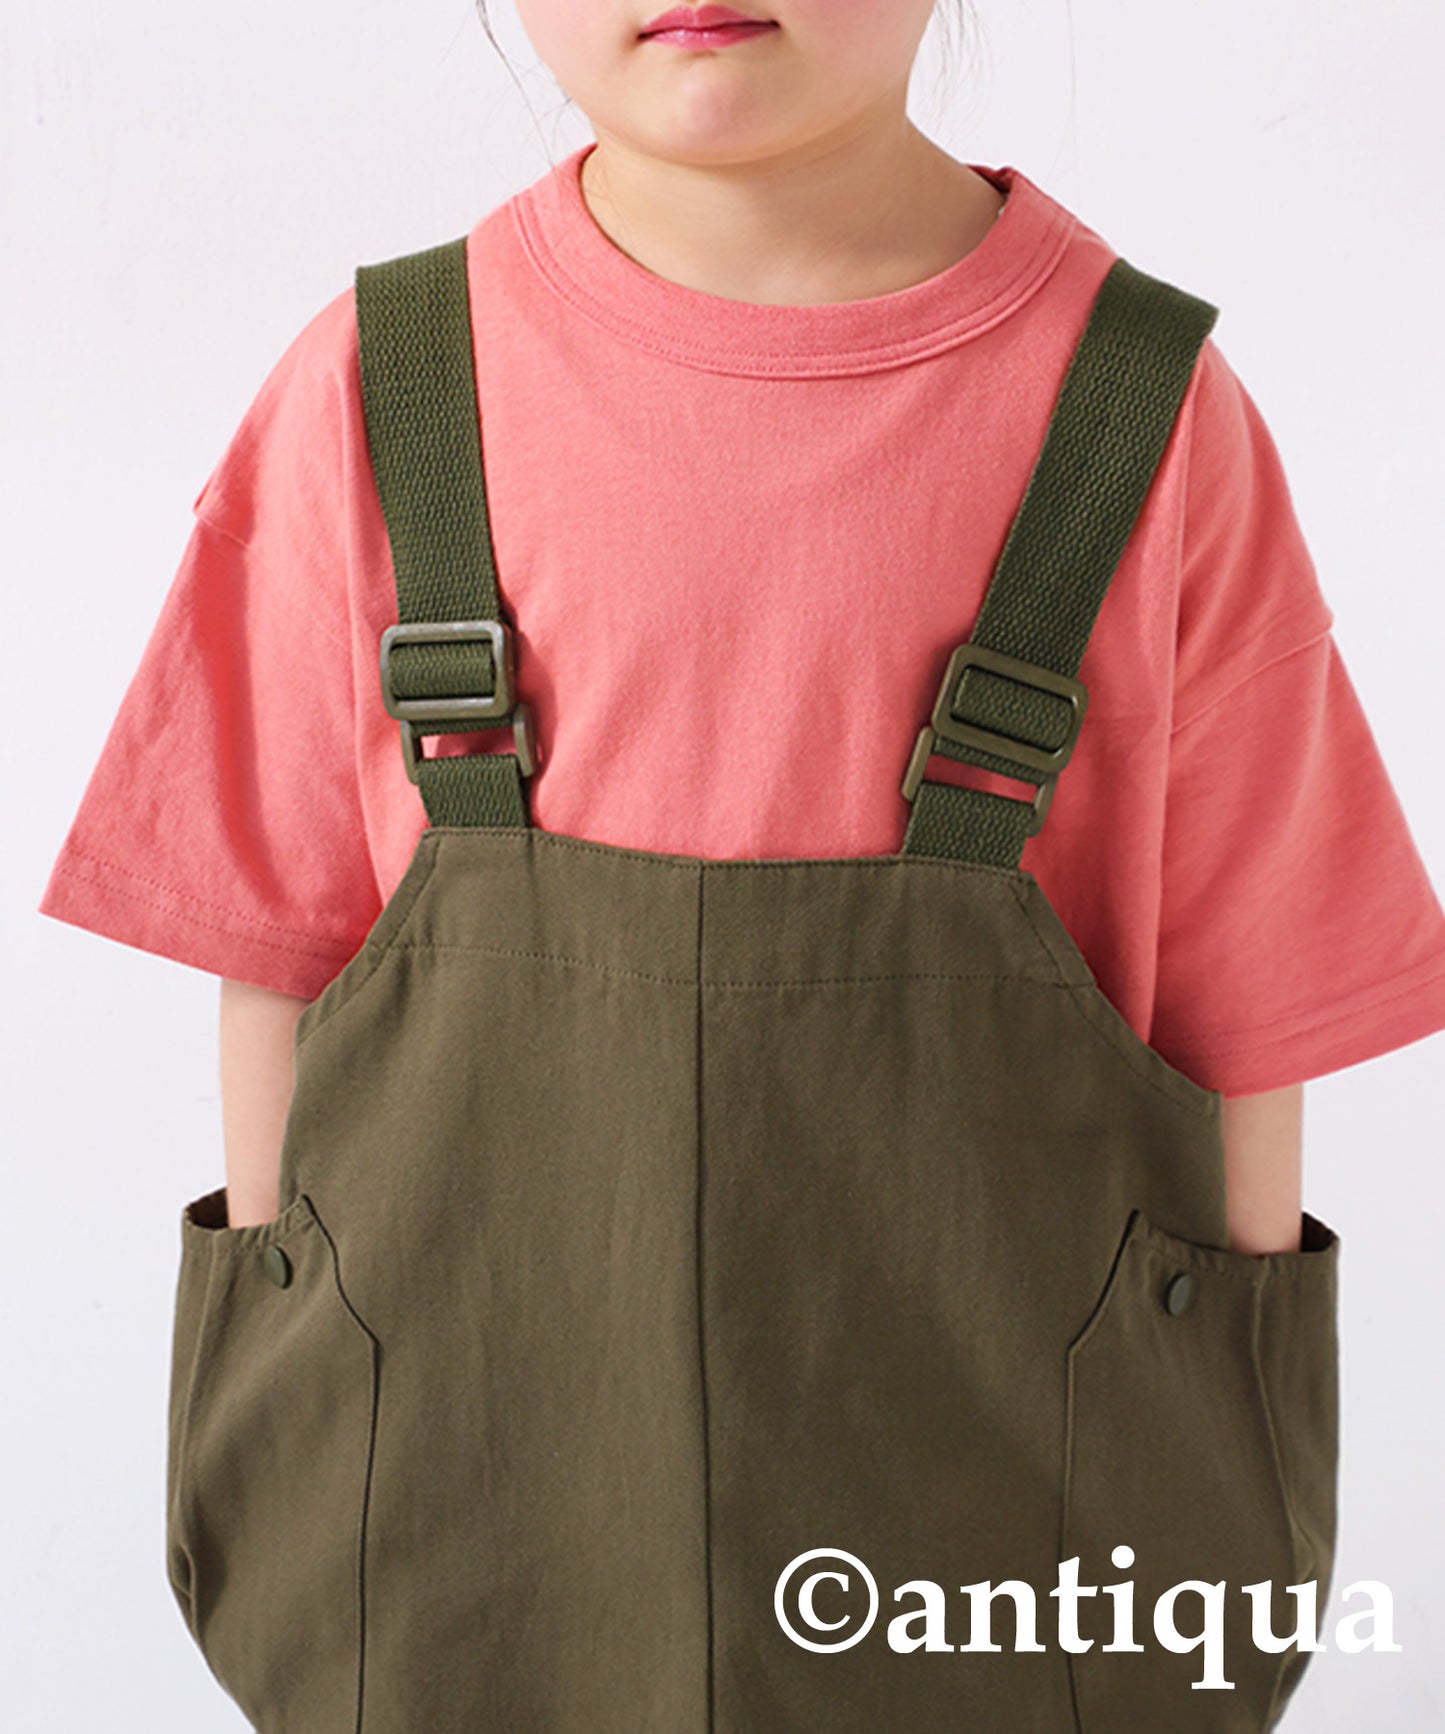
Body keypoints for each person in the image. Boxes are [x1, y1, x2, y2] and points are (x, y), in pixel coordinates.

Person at [36, 2, 1445, 1728]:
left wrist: (1208, 1460)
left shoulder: (1146, 417)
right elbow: (273, 955)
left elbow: (1249, 1022)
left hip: (1003, 1557)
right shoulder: (372, 391)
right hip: (462, 1555)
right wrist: (300, 1365)